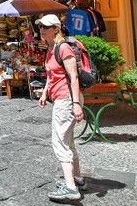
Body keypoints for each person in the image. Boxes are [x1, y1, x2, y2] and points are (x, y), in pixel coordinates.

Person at [37, 14, 86, 203]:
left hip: (67, 100)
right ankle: (78, 178)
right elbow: (52, 74)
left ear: (56, 29)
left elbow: (73, 77)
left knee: (60, 142)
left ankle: (71, 187)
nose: (42, 30)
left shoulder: (64, 47)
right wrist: (44, 93)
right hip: (60, 98)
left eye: (46, 27)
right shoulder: (51, 48)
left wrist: (75, 104)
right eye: (40, 26)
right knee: (68, 141)